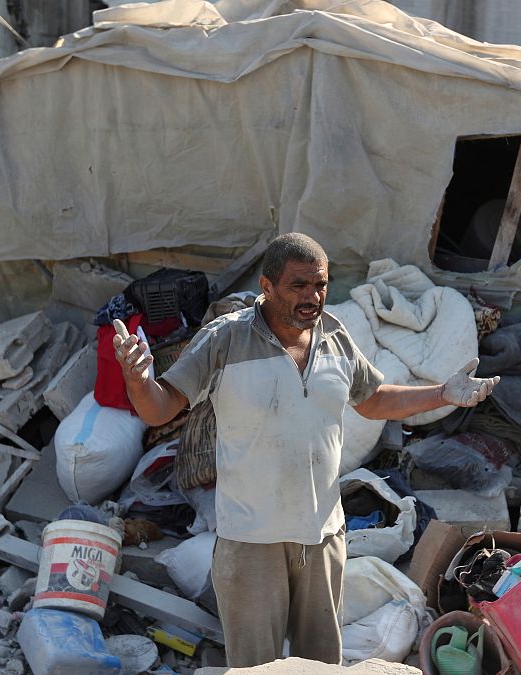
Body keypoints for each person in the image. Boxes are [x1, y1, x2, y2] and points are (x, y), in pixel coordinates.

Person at [113, 233, 498, 667]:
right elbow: (160, 408)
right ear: (267, 286)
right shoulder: (225, 340)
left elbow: (374, 400)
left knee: (319, 664)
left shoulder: (334, 336)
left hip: (321, 537)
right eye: (298, 285)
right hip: (251, 541)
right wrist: (138, 380)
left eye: (321, 285)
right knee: (256, 667)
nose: (312, 297)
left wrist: (444, 393)